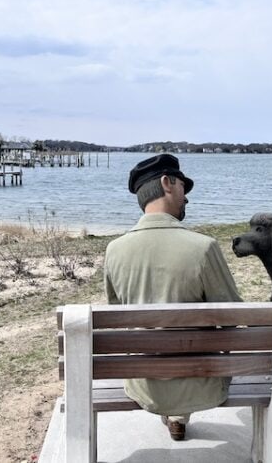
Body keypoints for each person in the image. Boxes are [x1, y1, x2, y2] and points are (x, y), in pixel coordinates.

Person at [104, 153, 243, 441]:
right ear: (167, 183)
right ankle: (179, 413)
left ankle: (172, 412)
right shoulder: (203, 248)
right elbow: (235, 320)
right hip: (200, 384)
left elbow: (118, 317)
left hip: (143, 385)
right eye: (183, 187)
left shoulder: (114, 250)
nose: (187, 197)